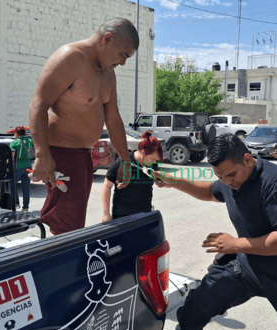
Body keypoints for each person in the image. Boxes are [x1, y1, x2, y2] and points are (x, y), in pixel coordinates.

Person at [156, 134, 277, 330]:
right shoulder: (230, 180)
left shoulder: (276, 183)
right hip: (251, 266)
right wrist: (175, 181)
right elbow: (211, 192)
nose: (227, 182)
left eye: (230, 175)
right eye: (220, 177)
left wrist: (234, 244)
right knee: (198, 304)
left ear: (248, 160)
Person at [28, 18, 139, 235]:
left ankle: (62, 265)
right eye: (123, 55)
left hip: (82, 156)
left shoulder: (108, 73)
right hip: (61, 154)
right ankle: (58, 268)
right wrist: (42, 154)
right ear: (107, 39)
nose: (123, 63)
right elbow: (38, 105)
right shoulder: (70, 57)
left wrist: (125, 161)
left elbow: (113, 118)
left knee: (73, 224)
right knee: (63, 226)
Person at [101, 131, 163, 222]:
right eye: (152, 159)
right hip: (122, 217)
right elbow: (107, 186)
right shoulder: (122, 163)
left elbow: (158, 180)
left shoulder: (152, 166)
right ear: (142, 152)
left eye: (156, 160)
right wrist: (106, 213)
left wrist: (160, 181)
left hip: (144, 215)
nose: (154, 162)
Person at [9, 126, 33, 212]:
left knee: (12, 185)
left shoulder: (14, 143)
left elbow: (12, 156)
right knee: (26, 187)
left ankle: (16, 203)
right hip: (28, 166)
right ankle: (25, 207)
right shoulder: (29, 141)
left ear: (16, 133)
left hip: (17, 166)